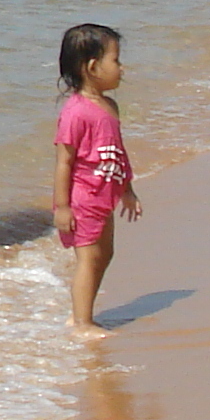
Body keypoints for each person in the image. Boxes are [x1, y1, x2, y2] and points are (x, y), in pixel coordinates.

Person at [51, 23, 144, 331]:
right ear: (92, 67)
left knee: (106, 254)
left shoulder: (110, 107)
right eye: (115, 61)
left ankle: (82, 311)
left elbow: (117, 151)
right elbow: (64, 162)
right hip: (83, 198)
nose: (121, 68)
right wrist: (62, 207)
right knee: (89, 259)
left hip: (105, 194)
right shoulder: (76, 112)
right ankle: (81, 322)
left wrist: (127, 190)